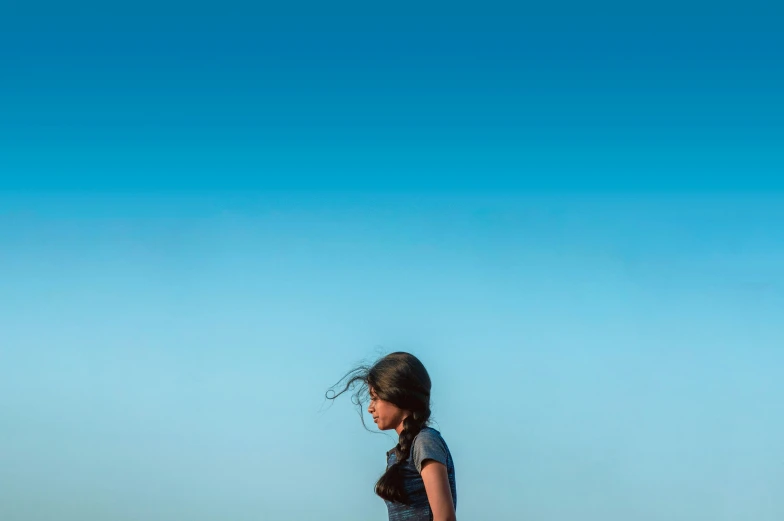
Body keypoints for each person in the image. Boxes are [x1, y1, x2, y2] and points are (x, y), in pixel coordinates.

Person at [326, 352, 457, 521]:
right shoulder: (398, 455)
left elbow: (444, 517)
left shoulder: (425, 442)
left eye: (375, 398)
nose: (370, 408)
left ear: (397, 394)